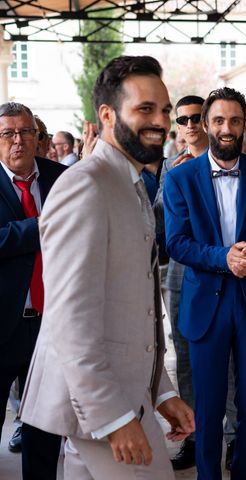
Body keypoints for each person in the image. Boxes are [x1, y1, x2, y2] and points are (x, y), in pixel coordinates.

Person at [18, 55, 195, 479]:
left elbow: (133, 308)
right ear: (107, 115)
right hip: (99, 405)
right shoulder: (86, 184)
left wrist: (161, 390)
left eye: (165, 109)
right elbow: (70, 316)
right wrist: (114, 418)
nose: (161, 120)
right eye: (145, 109)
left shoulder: (131, 184)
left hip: (125, 394)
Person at [163, 86, 246, 480]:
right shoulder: (180, 178)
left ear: (245, 124)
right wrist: (224, 258)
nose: (226, 128)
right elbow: (177, 242)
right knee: (208, 407)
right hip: (206, 304)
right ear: (205, 124)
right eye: (218, 120)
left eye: (234, 120)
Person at [0, 102, 66, 479]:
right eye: (8, 133)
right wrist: (39, 227)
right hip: (3, 323)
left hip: (51, 325)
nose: (18, 140)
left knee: (44, 432)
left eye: (26, 132)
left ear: (38, 137)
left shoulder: (62, 178)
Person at [154, 94, 209, 470]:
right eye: (183, 120)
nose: (189, 125)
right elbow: (157, 216)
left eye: (196, 118)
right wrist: (173, 178)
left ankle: (234, 438)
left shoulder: (224, 157)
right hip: (181, 271)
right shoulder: (170, 166)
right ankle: (193, 438)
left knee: (230, 359)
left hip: (224, 267)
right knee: (186, 355)